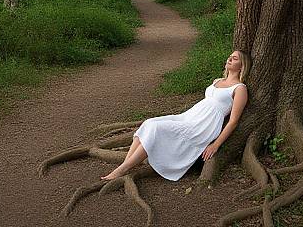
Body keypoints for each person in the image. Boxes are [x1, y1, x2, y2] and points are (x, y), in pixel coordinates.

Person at [101, 50, 251, 181]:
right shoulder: (217, 81)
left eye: (235, 58)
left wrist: (215, 145)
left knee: (157, 128)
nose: (229, 59)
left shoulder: (239, 88)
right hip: (190, 116)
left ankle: (123, 169)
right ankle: (128, 163)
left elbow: (233, 121)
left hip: (203, 125)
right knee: (149, 122)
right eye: (230, 56)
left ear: (242, 66)